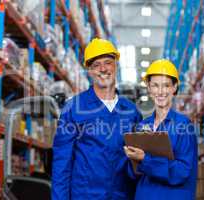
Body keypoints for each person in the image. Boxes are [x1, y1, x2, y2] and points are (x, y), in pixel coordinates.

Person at [52, 38, 142, 200]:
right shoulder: (73, 108)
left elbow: (138, 162)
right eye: (96, 65)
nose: (102, 69)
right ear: (89, 71)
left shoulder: (131, 111)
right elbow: (61, 164)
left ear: (116, 65)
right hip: (85, 195)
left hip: (122, 195)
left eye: (108, 62)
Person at [124, 59, 198, 200]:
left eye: (166, 86)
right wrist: (131, 159)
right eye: (155, 86)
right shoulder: (141, 126)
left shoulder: (183, 125)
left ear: (174, 87)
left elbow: (182, 172)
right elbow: (132, 174)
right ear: (149, 89)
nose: (161, 91)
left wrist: (145, 160)